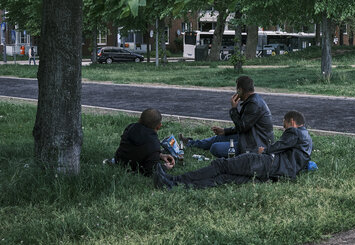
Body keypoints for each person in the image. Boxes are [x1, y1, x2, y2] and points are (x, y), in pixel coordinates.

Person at [154, 111, 312, 189]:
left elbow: (278, 146)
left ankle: (173, 181)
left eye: (284, 124)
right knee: (222, 178)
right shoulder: (307, 141)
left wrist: (264, 150)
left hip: (264, 163)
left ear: (292, 122)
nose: (283, 127)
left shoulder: (295, 132)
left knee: (220, 165)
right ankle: (172, 185)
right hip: (272, 175)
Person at [180, 76, 274, 158]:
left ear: (240, 90)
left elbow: (242, 127)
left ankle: (237, 156)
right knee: (218, 137)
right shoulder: (253, 101)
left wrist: (234, 109)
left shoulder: (254, 104)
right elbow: (244, 126)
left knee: (215, 147)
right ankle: (190, 143)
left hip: (255, 145)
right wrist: (225, 131)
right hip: (249, 137)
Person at [113, 108, 175, 176]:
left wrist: (160, 155)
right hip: (134, 169)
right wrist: (165, 167)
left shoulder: (130, 128)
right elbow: (151, 171)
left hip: (119, 161)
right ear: (159, 126)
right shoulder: (154, 144)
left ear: (139, 119)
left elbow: (136, 150)